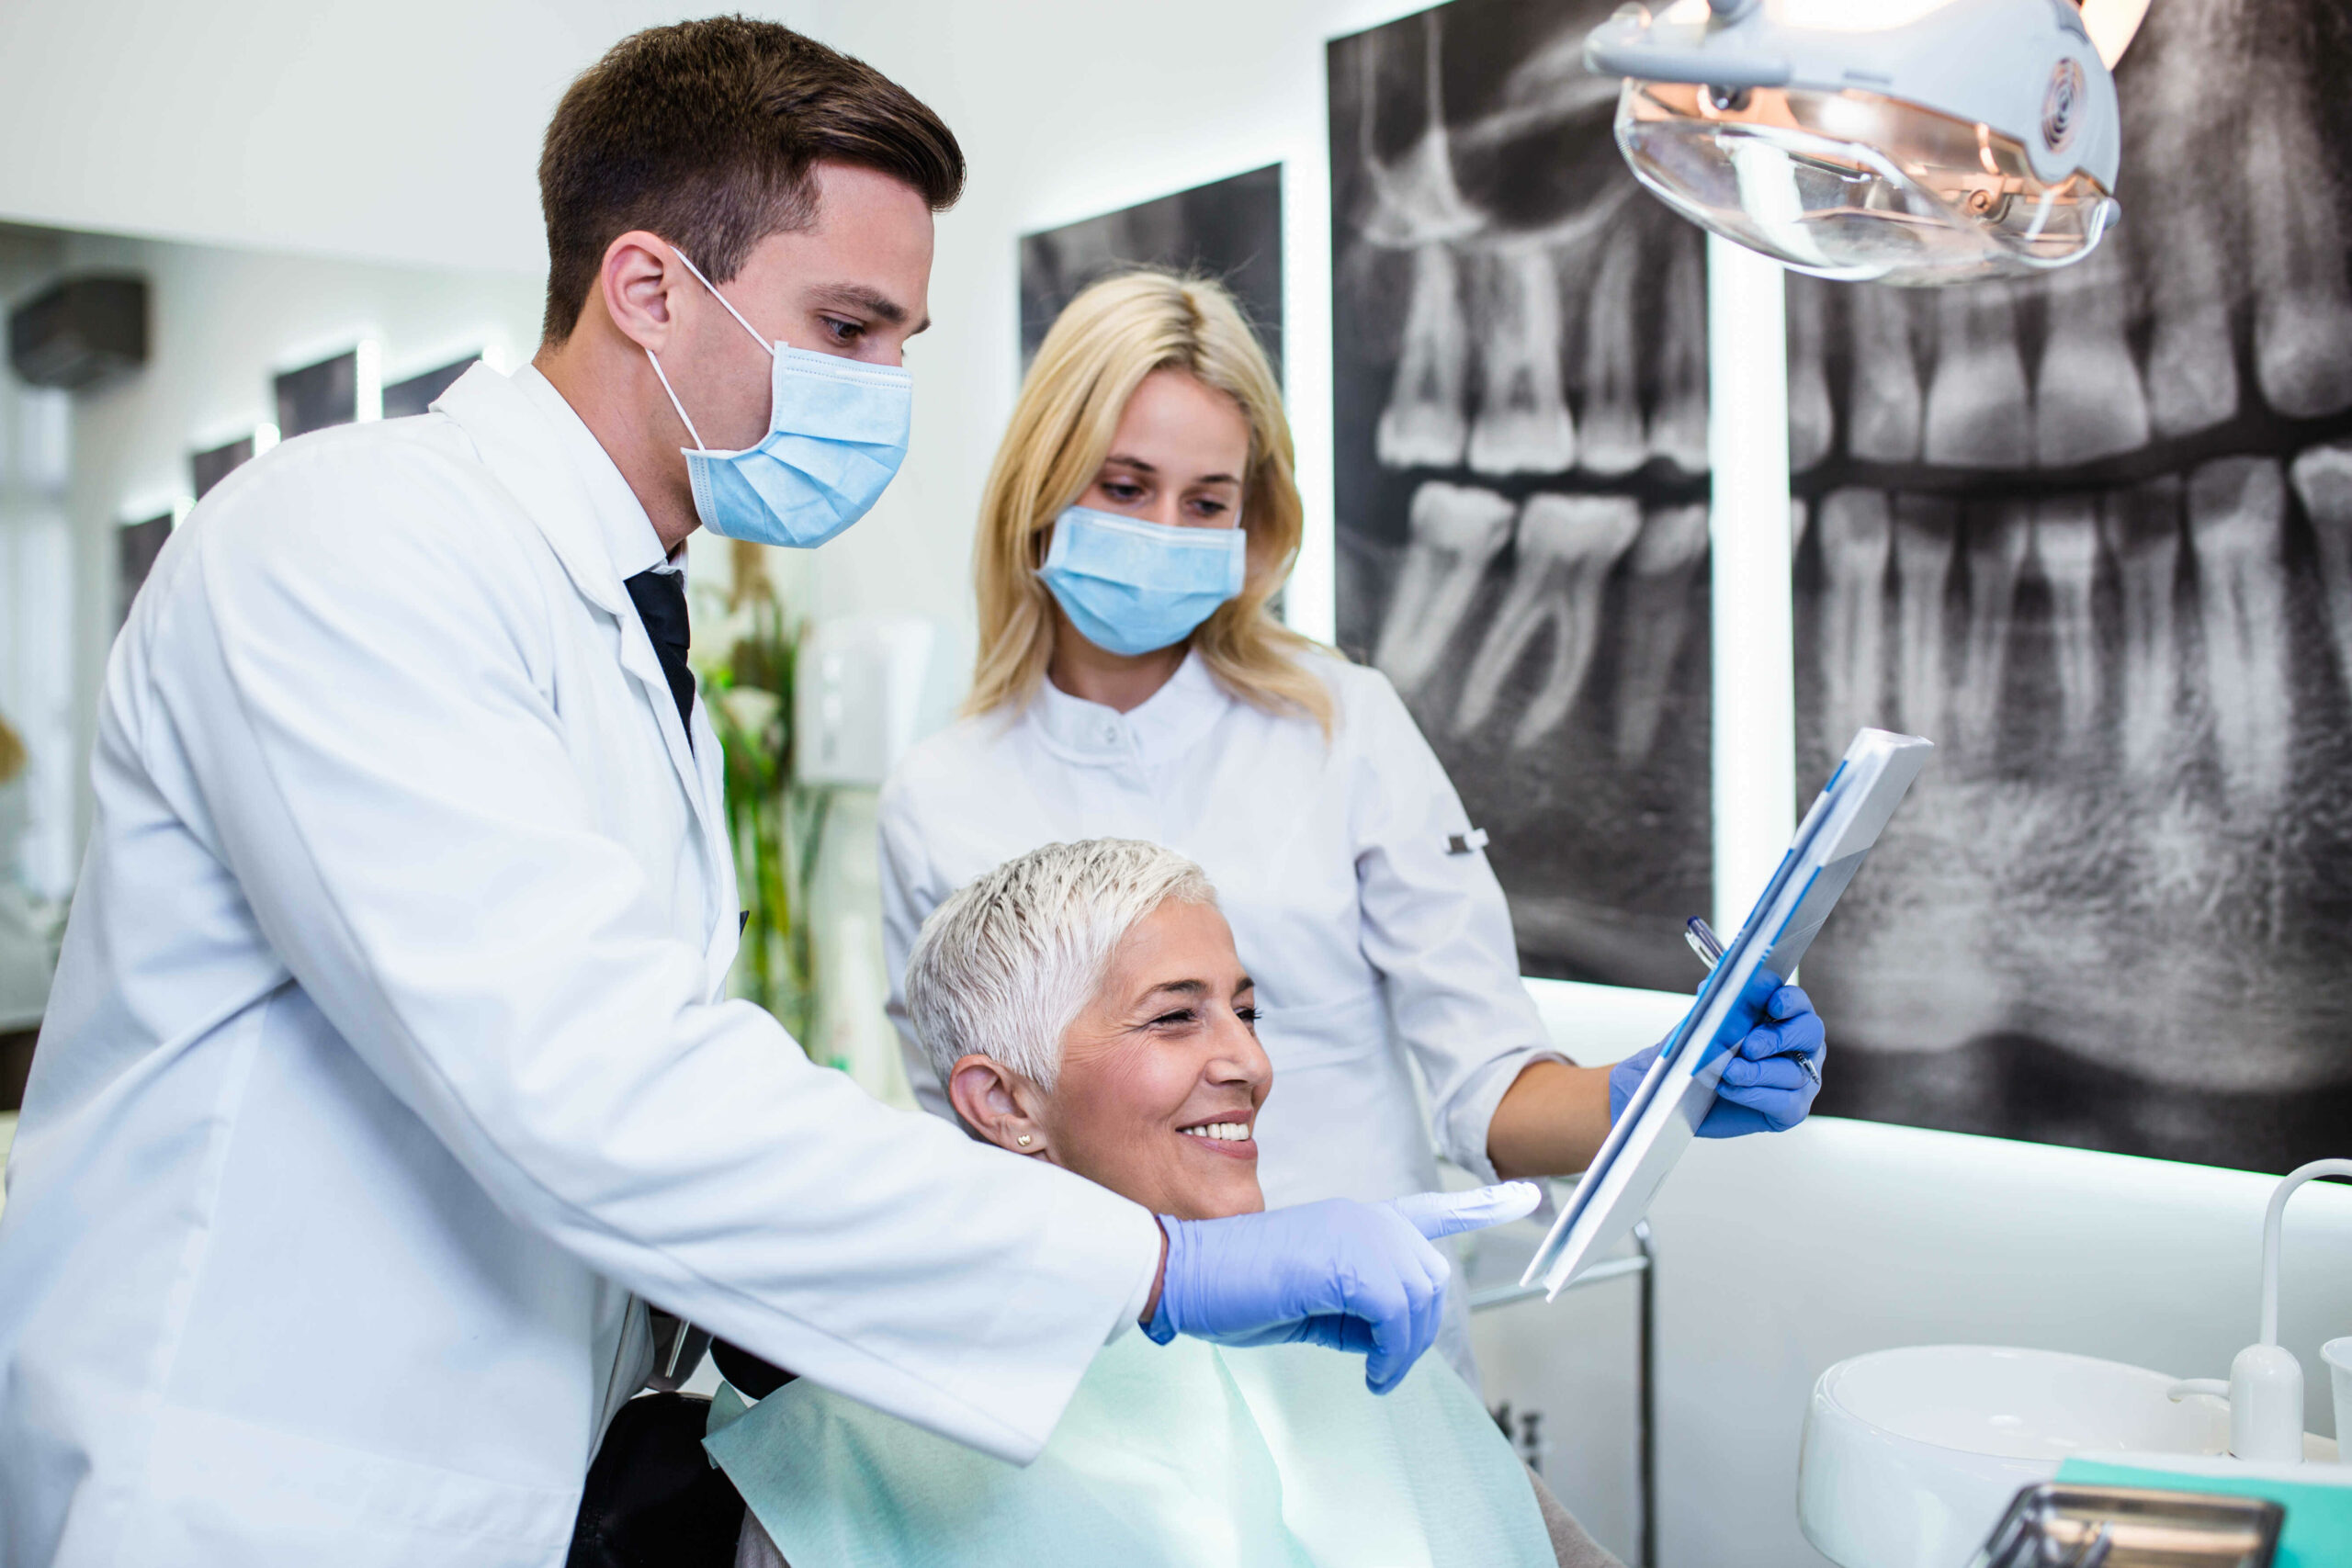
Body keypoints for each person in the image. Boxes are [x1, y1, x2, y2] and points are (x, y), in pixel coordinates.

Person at [0, 25, 1517, 1568]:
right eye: (848, 328)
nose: (887, 390)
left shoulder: (612, 611)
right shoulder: (347, 546)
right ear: (649, 289)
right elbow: (593, 1088)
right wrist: (1149, 1266)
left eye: (903, 340)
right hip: (259, 1499)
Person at [878, 269, 1826, 1377]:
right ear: (1039, 492)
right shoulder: (938, 797)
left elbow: (1488, 1090)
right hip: (1101, 1368)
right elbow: (976, 1155)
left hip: (1362, 1350)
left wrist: (1660, 1087)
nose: (1166, 529)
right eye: (1124, 486)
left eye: (1207, 502)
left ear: (1252, 519)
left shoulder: (1343, 727)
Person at [714, 840, 1621, 1568]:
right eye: (1173, 1017)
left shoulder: (1346, 1354)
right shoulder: (850, 1458)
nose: (1250, 1064)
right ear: (1003, 1103)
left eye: (1246, 1013)